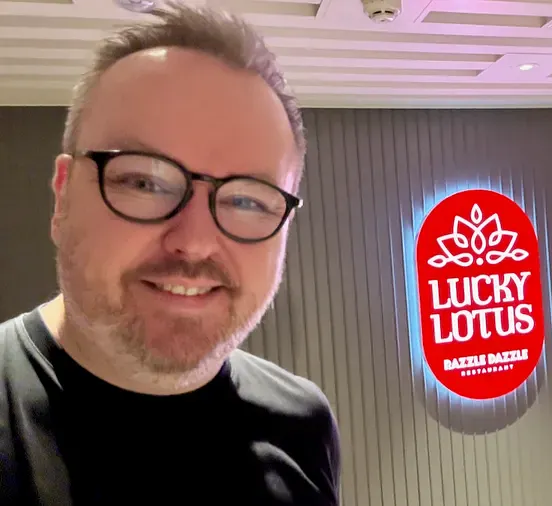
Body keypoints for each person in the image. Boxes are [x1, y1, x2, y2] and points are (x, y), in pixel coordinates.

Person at [0, 2, 341, 504]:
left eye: (247, 199)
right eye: (144, 181)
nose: (196, 240)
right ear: (63, 197)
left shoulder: (304, 425)